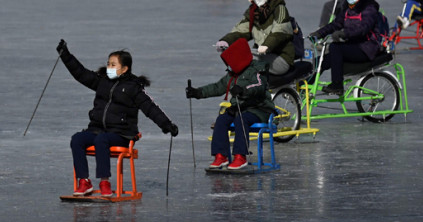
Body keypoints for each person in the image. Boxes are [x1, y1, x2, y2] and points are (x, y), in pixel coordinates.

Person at [57, 39, 178, 197]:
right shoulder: (102, 81)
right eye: (108, 64)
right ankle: (84, 181)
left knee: (102, 140)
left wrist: (166, 125)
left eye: (113, 65)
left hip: (122, 134)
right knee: (77, 139)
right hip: (97, 130)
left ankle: (104, 182)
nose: (109, 68)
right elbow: (80, 73)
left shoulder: (133, 88)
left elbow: (150, 108)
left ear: (124, 69)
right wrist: (65, 55)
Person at [186, 38, 275, 171]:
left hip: (259, 109)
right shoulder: (232, 74)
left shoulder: (256, 70)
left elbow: (259, 86)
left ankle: (240, 156)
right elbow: (217, 87)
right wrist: (197, 92)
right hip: (240, 108)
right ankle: (221, 156)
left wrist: (243, 90)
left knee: (241, 119)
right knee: (221, 120)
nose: (229, 65)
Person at [309, 0, 383, 94]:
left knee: (335, 47)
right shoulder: (348, 9)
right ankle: (307, 84)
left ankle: (337, 86)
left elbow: (363, 28)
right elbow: (336, 24)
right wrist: (319, 33)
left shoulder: (369, 9)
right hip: (352, 45)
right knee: (322, 60)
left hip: (366, 48)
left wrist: (344, 33)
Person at [217, 0, 298, 76]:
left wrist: (267, 45)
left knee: (250, 60)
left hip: (280, 57)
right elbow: (242, 30)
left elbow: (280, 31)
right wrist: (226, 40)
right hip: (261, 55)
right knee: (236, 59)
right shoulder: (252, 12)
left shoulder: (279, 9)